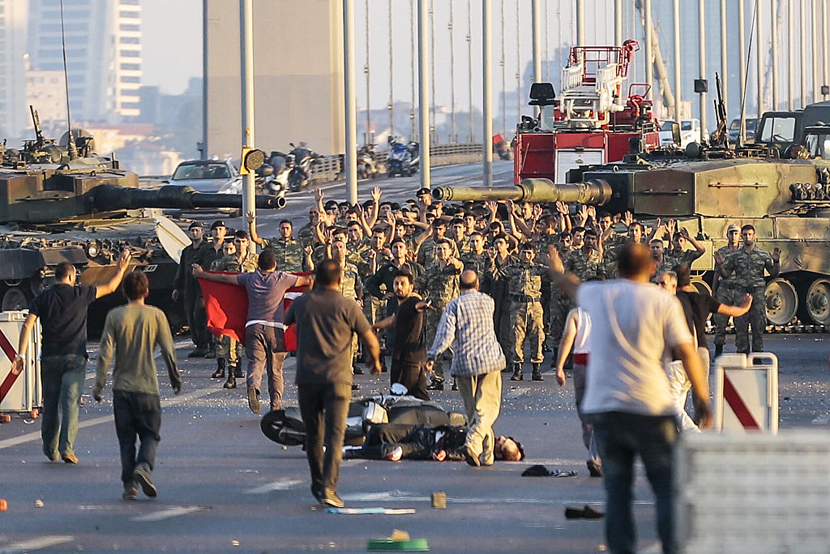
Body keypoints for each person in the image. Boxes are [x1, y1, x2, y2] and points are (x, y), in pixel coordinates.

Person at [549, 243, 712, 554]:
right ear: (651, 268)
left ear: (618, 268)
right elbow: (688, 351)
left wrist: (556, 267)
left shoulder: (600, 295)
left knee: (618, 493)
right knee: (665, 488)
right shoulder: (664, 302)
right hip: (652, 405)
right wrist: (703, 398)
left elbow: (568, 284)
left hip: (608, 410)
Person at [14, 250, 132, 464]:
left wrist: (20, 354)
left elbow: (28, 324)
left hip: (50, 357)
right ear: (70, 277)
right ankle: (67, 448)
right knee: (70, 402)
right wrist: (120, 269)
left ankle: (50, 449)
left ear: (56, 277)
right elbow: (112, 287)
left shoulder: (43, 297)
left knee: (50, 404)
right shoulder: (81, 294)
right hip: (74, 357)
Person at [284, 259, 382, 508]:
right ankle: (329, 487)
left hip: (307, 378)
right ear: (340, 280)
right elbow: (369, 337)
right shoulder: (347, 305)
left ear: (315, 277)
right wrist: (375, 361)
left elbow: (284, 322)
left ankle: (318, 484)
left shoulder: (302, 302)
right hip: (338, 379)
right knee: (336, 436)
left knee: (314, 435)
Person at [92, 271, 182, 500]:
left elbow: (105, 353)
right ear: (147, 291)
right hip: (147, 387)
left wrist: (99, 384)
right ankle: (144, 465)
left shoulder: (115, 316)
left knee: (126, 440)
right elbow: (168, 351)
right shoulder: (156, 315)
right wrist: (174, 378)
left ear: (124, 292)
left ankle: (129, 486)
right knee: (150, 434)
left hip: (122, 388)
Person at [193, 249, 313, 414]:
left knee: (256, 362)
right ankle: (275, 406)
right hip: (276, 328)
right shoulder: (282, 278)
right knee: (276, 370)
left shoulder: (250, 278)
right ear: (275, 264)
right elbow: (308, 279)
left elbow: (223, 278)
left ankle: (253, 386)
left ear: (258, 264)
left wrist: (202, 274)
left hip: (253, 326)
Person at [426, 269, 506, 467]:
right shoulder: (489, 302)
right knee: (488, 409)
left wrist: (432, 354)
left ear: (458, 287)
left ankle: (486, 454)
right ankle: (474, 443)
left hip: (464, 362)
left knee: (473, 412)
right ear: (477, 285)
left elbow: (445, 335)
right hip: (490, 360)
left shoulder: (454, 305)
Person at [714, 224, 780, 354]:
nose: (747, 237)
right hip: (741, 294)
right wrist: (721, 265)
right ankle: (742, 353)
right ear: (742, 237)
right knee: (741, 326)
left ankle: (757, 354)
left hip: (758, 294)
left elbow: (774, 274)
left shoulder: (763, 254)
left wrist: (776, 262)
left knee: (758, 325)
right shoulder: (735, 256)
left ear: (754, 236)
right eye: (745, 234)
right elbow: (726, 274)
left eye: (750, 234)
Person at [488, 242, 548, 381]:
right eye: (523, 252)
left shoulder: (539, 269)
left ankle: (536, 368)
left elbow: (556, 274)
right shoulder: (512, 268)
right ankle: (518, 368)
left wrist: (552, 260)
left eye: (529, 253)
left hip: (534, 304)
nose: (525, 255)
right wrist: (491, 261)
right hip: (517, 305)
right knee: (516, 336)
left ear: (534, 255)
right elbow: (495, 276)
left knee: (537, 335)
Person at [554, 305, 602, 477]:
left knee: (584, 412)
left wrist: (560, 366)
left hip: (581, 365)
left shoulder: (576, 313)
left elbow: (567, 338)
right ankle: (595, 456)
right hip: (602, 365)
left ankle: (593, 452)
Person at [209, 231, 259, 389]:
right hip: (232, 303)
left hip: (250, 302)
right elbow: (218, 277)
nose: (239, 244)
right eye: (237, 241)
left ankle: (246, 368)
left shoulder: (255, 260)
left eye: (243, 241)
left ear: (247, 243)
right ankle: (231, 373)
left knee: (250, 338)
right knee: (231, 336)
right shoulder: (226, 260)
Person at [372, 271, 431, 400]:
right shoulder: (402, 306)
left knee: (399, 398)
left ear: (411, 287)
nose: (399, 287)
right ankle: (434, 419)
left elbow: (418, 306)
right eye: (396, 283)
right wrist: (376, 326)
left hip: (408, 362)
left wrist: (424, 304)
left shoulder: (412, 302)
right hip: (413, 360)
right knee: (421, 398)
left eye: (403, 284)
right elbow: (393, 319)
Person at [356, 422, 523, 463]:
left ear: (499, 452)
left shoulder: (480, 451)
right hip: (426, 431)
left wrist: (447, 453)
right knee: (380, 430)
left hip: (425, 447)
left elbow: (465, 453)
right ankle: (360, 447)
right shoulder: (484, 433)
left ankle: (351, 452)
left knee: (388, 451)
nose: (500, 439)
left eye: (502, 444)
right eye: (505, 439)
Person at [173, 221, 212, 357]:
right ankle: (199, 345)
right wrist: (177, 287)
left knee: (199, 314)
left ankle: (207, 343)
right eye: (192, 231)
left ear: (203, 232)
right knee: (190, 314)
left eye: (197, 230)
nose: (194, 233)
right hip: (189, 286)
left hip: (202, 285)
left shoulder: (208, 249)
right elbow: (181, 269)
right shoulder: (187, 251)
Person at [711, 224, 744, 356]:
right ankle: (718, 350)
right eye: (731, 233)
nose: (733, 236)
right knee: (720, 322)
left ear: (739, 235)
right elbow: (716, 273)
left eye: (736, 233)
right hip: (724, 289)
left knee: (741, 323)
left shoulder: (744, 252)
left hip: (739, 290)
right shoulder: (722, 252)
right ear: (727, 235)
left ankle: (741, 351)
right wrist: (714, 291)